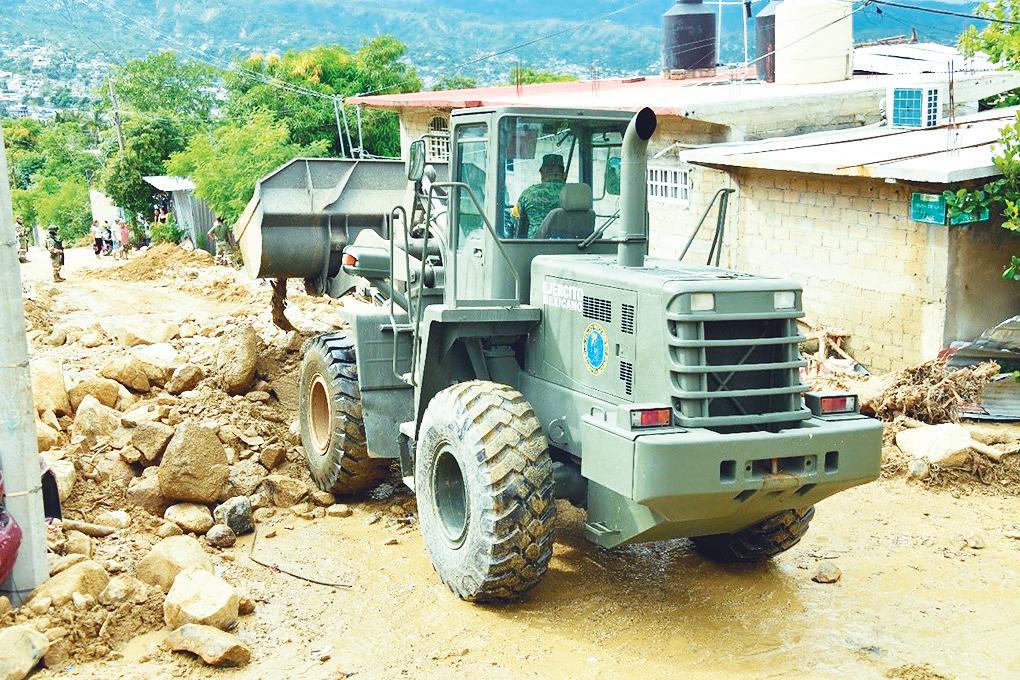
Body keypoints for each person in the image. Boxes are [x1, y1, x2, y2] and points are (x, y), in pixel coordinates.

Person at [511, 153, 567, 238]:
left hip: (536, 245)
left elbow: (515, 222)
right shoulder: (576, 195)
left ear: (542, 173)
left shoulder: (528, 194)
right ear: (564, 174)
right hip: (576, 245)